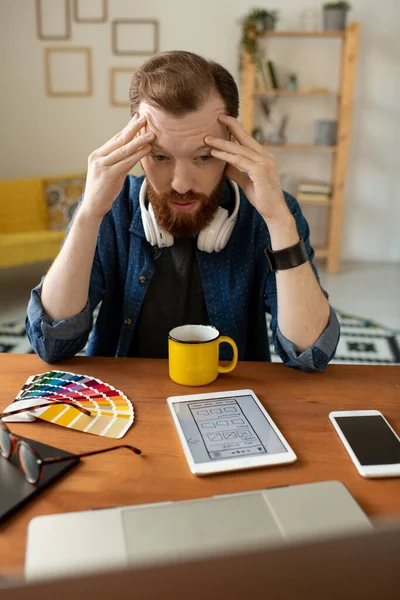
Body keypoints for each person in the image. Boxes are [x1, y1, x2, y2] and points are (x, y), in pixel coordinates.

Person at [26, 51, 340, 372]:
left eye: (203, 157)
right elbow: (51, 343)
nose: (180, 184)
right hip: (121, 404)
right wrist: (89, 214)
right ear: (135, 144)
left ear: (232, 146)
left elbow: (310, 354)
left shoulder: (270, 214)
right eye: (160, 157)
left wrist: (279, 220)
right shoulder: (111, 207)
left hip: (232, 399)